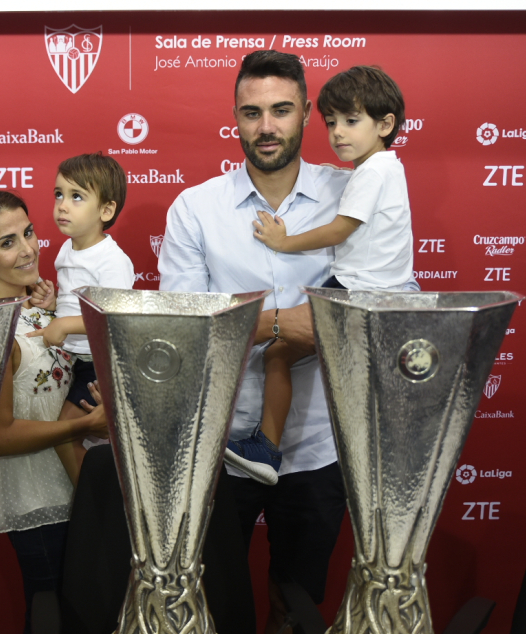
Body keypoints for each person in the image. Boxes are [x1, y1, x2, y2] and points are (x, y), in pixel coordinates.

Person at [157, 50, 417, 634]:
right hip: (221, 445)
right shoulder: (196, 210)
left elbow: (396, 304)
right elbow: (182, 331)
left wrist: (323, 324)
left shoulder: (355, 191)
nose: (266, 126)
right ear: (236, 118)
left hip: (323, 445)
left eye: (281, 110)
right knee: (213, 604)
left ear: (305, 114)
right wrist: (279, 326)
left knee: (295, 607)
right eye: (252, 113)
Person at [238, 65, 415, 483]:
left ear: (385, 124)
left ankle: (265, 446)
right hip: (373, 289)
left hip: (356, 291)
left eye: (351, 121)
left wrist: (283, 242)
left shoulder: (372, 172)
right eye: (332, 122)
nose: (338, 133)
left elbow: (340, 229)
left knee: (278, 351)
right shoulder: (383, 168)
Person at [0, 189, 107, 634]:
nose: (28, 249)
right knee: (51, 617)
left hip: (77, 491)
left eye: (29, 232)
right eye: (7, 242)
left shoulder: (39, 305)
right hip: (35, 503)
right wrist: (86, 425)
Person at [26, 153, 135, 486]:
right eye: (58, 194)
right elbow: (77, 304)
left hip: (98, 365)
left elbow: (113, 317)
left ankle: (99, 505)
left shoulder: (113, 261)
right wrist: (54, 302)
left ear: (106, 211)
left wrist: (64, 325)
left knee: (64, 436)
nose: (62, 205)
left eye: (76, 197)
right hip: (70, 361)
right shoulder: (66, 250)